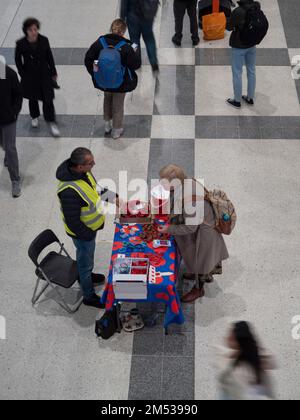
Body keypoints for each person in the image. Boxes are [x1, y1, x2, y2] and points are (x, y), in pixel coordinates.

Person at [56, 148, 119, 309]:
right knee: (85, 264)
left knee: (86, 260)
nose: (94, 164)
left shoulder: (84, 174)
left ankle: (88, 276)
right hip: (83, 234)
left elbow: (96, 189)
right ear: (79, 166)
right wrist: (88, 235)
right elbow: (73, 223)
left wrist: (115, 198)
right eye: (90, 163)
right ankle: (88, 296)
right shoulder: (69, 191)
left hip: (90, 228)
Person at [157, 164, 229, 303]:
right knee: (199, 261)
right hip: (201, 226)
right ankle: (195, 273)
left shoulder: (191, 201)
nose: (162, 184)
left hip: (205, 235)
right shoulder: (187, 182)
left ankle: (198, 289)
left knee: (202, 262)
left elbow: (190, 228)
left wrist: (168, 229)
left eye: (164, 182)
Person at [85, 19, 141, 140]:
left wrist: (96, 74)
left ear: (111, 29)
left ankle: (107, 125)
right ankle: (116, 130)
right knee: (118, 105)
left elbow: (88, 59)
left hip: (104, 80)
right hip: (120, 83)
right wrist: (134, 53)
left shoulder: (100, 43)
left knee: (107, 99)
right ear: (123, 32)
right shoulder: (126, 47)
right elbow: (136, 65)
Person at [15, 18, 60, 137]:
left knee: (48, 99)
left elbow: (49, 56)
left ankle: (51, 121)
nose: (33, 32)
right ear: (26, 30)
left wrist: (53, 72)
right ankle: (34, 116)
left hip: (44, 74)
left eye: (35, 29)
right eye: (30, 30)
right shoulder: (21, 44)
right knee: (32, 98)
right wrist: (23, 74)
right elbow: (18, 60)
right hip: (29, 75)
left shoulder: (44, 40)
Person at [217, 321, 276, 400]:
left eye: (231, 337)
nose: (227, 337)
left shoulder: (242, 368)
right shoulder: (231, 357)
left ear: (239, 342)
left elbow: (272, 361)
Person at [227, 0, 259, 108]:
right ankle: (250, 98)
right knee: (251, 70)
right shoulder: (256, 6)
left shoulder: (238, 11)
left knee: (237, 72)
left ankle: (237, 100)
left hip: (239, 45)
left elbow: (228, 27)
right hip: (252, 44)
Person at [0, 64, 23, 198]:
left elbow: (18, 94)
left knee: (10, 148)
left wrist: (14, 112)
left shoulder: (9, 74)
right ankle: (7, 157)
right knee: (3, 144)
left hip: (8, 119)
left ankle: (15, 179)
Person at [121, 0, 159, 72]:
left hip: (132, 18)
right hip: (147, 18)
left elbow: (124, 5)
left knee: (134, 41)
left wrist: (122, 19)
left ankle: (137, 61)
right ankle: (154, 62)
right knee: (149, 40)